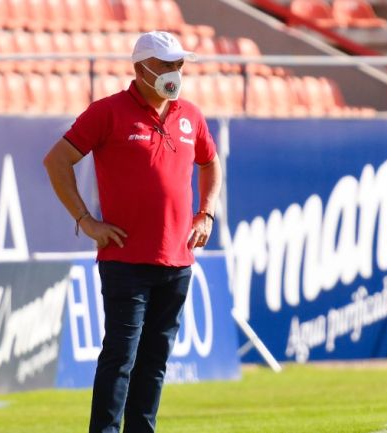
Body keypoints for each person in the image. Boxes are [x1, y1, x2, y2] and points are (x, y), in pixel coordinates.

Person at [43, 31, 222, 433]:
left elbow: (211, 162)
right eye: (166, 64)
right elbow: (57, 161)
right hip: (125, 261)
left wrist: (206, 212)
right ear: (141, 68)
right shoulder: (108, 112)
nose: (175, 72)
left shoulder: (190, 114)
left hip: (177, 261)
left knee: (155, 361)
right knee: (121, 359)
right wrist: (85, 219)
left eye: (179, 64)